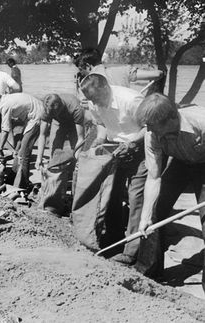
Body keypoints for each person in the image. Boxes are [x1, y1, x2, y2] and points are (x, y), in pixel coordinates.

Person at [135, 93, 205, 286]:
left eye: (152, 126)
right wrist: (145, 216)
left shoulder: (201, 121)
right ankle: (148, 274)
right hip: (180, 164)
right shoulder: (152, 134)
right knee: (155, 213)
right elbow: (154, 176)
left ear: (172, 119)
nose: (148, 130)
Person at [80, 73, 146, 265]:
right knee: (111, 194)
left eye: (96, 98)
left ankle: (131, 251)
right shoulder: (94, 102)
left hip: (139, 147)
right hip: (115, 148)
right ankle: (113, 239)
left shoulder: (131, 100)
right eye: (91, 100)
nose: (95, 103)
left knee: (136, 198)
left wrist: (133, 143)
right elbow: (101, 124)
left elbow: (150, 128)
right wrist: (99, 142)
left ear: (105, 88)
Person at [35, 93, 86, 216]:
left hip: (74, 124)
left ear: (61, 106)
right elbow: (42, 135)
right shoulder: (47, 109)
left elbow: (81, 138)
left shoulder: (75, 108)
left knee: (76, 157)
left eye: (56, 113)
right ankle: (53, 196)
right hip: (58, 123)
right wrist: (39, 158)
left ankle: (74, 197)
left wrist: (77, 156)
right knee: (55, 156)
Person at [0, 91, 44, 189]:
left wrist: (0, 149)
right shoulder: (5, 99)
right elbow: (3, 129)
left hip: (37, 116)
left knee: (24, 154)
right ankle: (12, 179)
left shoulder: (3, 105)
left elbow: (5, 130)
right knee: (18, 151)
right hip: (30, 115)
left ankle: (23, 185)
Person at [74, 48, 163, 89]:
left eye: (81, 69)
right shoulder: (122, 71)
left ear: (88, 66)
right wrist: (162, 72)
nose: (81, 73)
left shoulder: (88, 83)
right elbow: (157, 74)